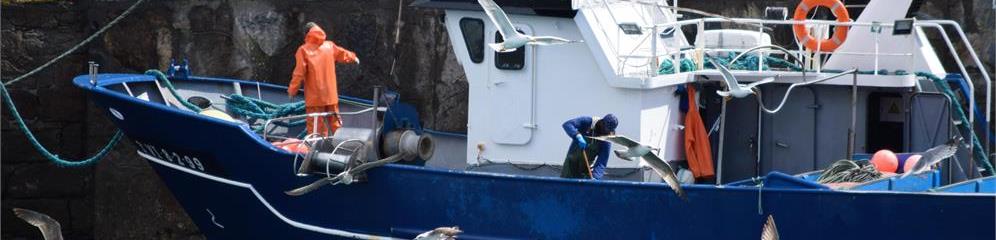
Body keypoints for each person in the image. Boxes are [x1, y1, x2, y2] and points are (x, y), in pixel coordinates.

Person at [287, 22, 360, 136]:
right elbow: (343, 54)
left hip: (315, 97)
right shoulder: (329, 46)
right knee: (336, 125)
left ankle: (316, 150)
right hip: (331, 96)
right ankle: (341, 147)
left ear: (307, 34)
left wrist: (292, 90)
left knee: (317, 130)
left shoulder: (303, 50)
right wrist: (354, 57)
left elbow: (299, 73)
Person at [561, 114, 618, 179]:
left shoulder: (607, 138)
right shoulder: (587, 122)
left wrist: (596, 177)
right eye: (606, 128)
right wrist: (577, 135)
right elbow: (567, 124)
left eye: (609, 130)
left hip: (586, 168)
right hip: (570, 164)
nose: (606, 131)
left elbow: (602, 162)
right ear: (602, 122)